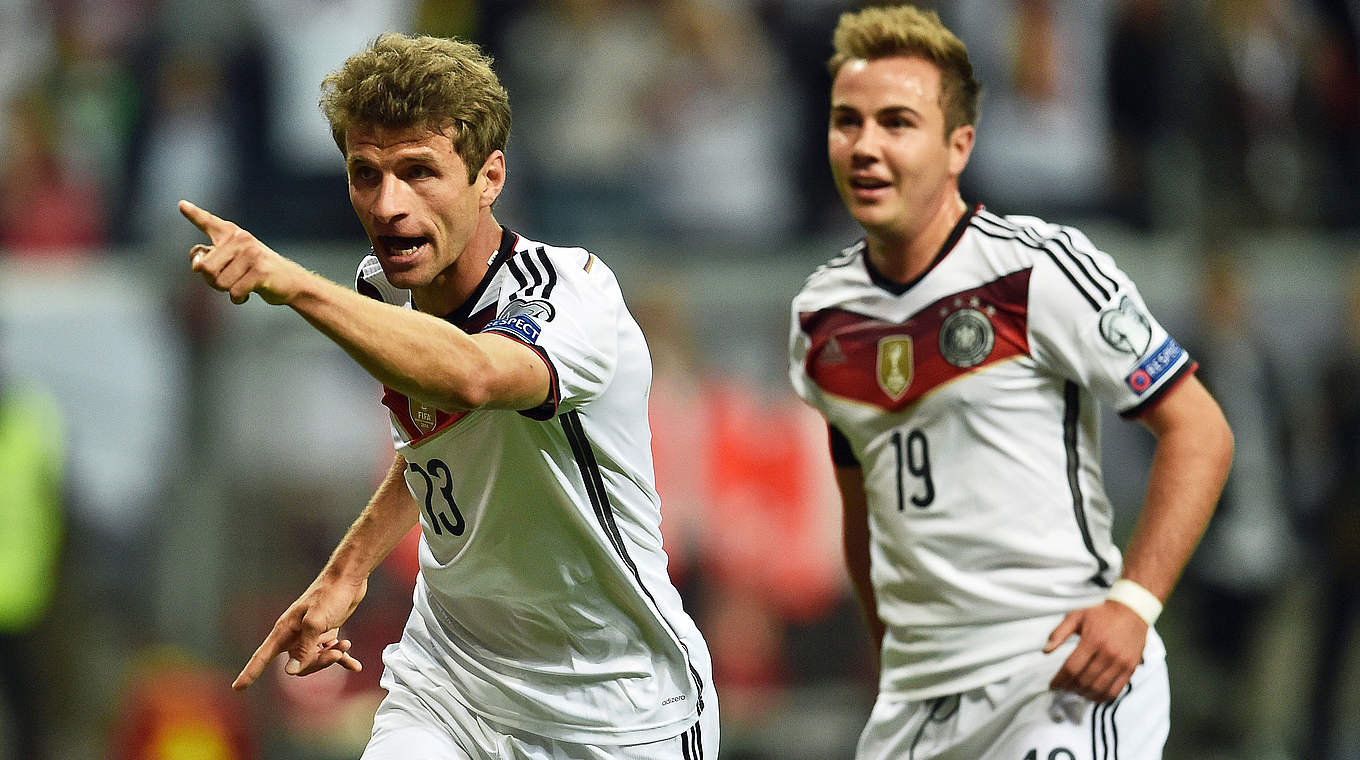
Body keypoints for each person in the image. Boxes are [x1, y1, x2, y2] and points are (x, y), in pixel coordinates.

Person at [179, 33, 716, 759]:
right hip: (450, 683)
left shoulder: (573, 295)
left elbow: (473, 378)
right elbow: (436, 442)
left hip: (615, 708)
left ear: (489, 177)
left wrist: (291, 281)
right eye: (364, 173)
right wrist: (346, 573)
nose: (387, 203)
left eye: (417, 172)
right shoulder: (385, 292)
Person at [786, 6, 1233, 759]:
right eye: (847, 121)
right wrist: (893, 652)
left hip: (1057, 675)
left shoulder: (1038, 268)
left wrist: (1134, 602)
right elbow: (863, 506)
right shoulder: (818, 314)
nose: (864, 146)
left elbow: (1200, 429)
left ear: (958, 145)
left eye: (897, 123)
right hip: (916, 704)